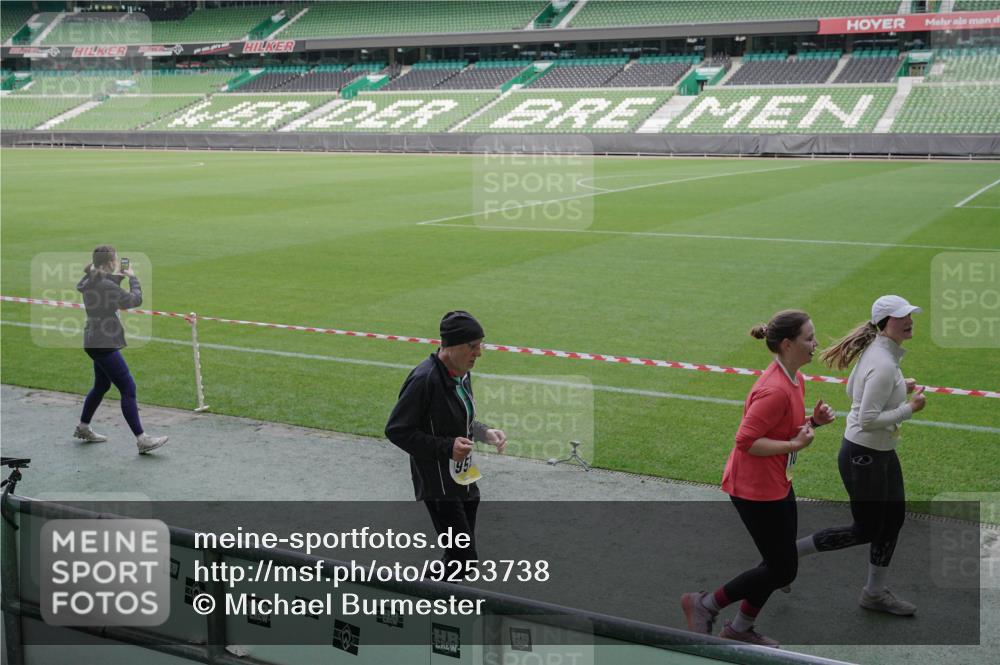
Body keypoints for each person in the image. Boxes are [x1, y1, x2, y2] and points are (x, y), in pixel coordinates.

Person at [681, 310, 835, 647]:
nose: (815, 344)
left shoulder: (795, 379)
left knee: (778, 563)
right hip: (753, 489)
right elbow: (746, 440)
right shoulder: (776, 389)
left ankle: (739, 628)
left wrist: (814, 422)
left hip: (777, 481)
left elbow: (781, 426)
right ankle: (705, 605)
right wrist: (796, 444)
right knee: (782, 569)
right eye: (809, 338)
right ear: (786, 344)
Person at [793, 295, 926, 616]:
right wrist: (909, 407)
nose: (908, 320)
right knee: (865, 529)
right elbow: (867, 418)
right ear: (884, 323)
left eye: (909, 314)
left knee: (892, 520)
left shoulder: (880, 353)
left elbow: (854, 390)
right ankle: (786, 556)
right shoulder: (882, 362)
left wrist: (897, 387)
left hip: (880, 452)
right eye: (900, 317)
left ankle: (874, 593)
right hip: (863, 455)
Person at [385, 310, 507, 576]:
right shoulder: (424, 379)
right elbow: (397, 430)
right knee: (463, 559)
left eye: (480, 346)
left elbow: (455, 419)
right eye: (472, 347)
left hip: (464, 476)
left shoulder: (461, 372)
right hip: (439, 484)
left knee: (457, 559)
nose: (479, 353)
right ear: (451, 346)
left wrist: (485, 432)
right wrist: (446, 447)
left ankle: (433, 599)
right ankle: (422, 599)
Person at [73, 245, 168, 454]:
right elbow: (134, 300)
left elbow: (104, 285)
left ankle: (83, 427)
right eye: (114, 260)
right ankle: (142, 439)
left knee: (101, 385)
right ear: (109, 263)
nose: (116, 263)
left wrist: (117, 277)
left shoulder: (90, 280)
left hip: (92, 339)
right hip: (104, 342)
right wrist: (132, 278)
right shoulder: (104, 284)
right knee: (128, 388)